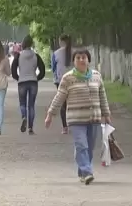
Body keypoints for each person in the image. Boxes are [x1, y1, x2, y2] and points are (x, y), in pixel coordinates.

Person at [45, 49, 111, 185]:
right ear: (74, 61)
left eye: (84, 57)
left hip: (94, 118)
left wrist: (107, 114)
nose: (81, 60)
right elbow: (59, 97)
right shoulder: (68, 78)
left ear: (88, 60)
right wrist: (50, 114)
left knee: (90, 147)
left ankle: (82, 171)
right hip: (76, 119)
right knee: (82, 145)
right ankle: (87, 171)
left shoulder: (96, 76)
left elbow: (102, 97)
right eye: (78, 58)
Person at [11, 35, 46, 135]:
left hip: (22, 81)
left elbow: (13, 70)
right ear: (31, 44)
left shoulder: (18, 56)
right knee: (31, 105)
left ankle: (23, 117)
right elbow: (42, 70)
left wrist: (18, 78)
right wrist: (37, 78)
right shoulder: (36, 56)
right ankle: (30, 127)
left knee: (22, 103)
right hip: (33, 82)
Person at [51, 34, 73, 134]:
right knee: (72, 103)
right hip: (73, 81)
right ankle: (74, 124)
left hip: (60, 81)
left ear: (61, 42)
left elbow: (53, 68)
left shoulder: (56, 53)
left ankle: (65, 127)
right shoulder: (74, 53)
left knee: (63, 104)